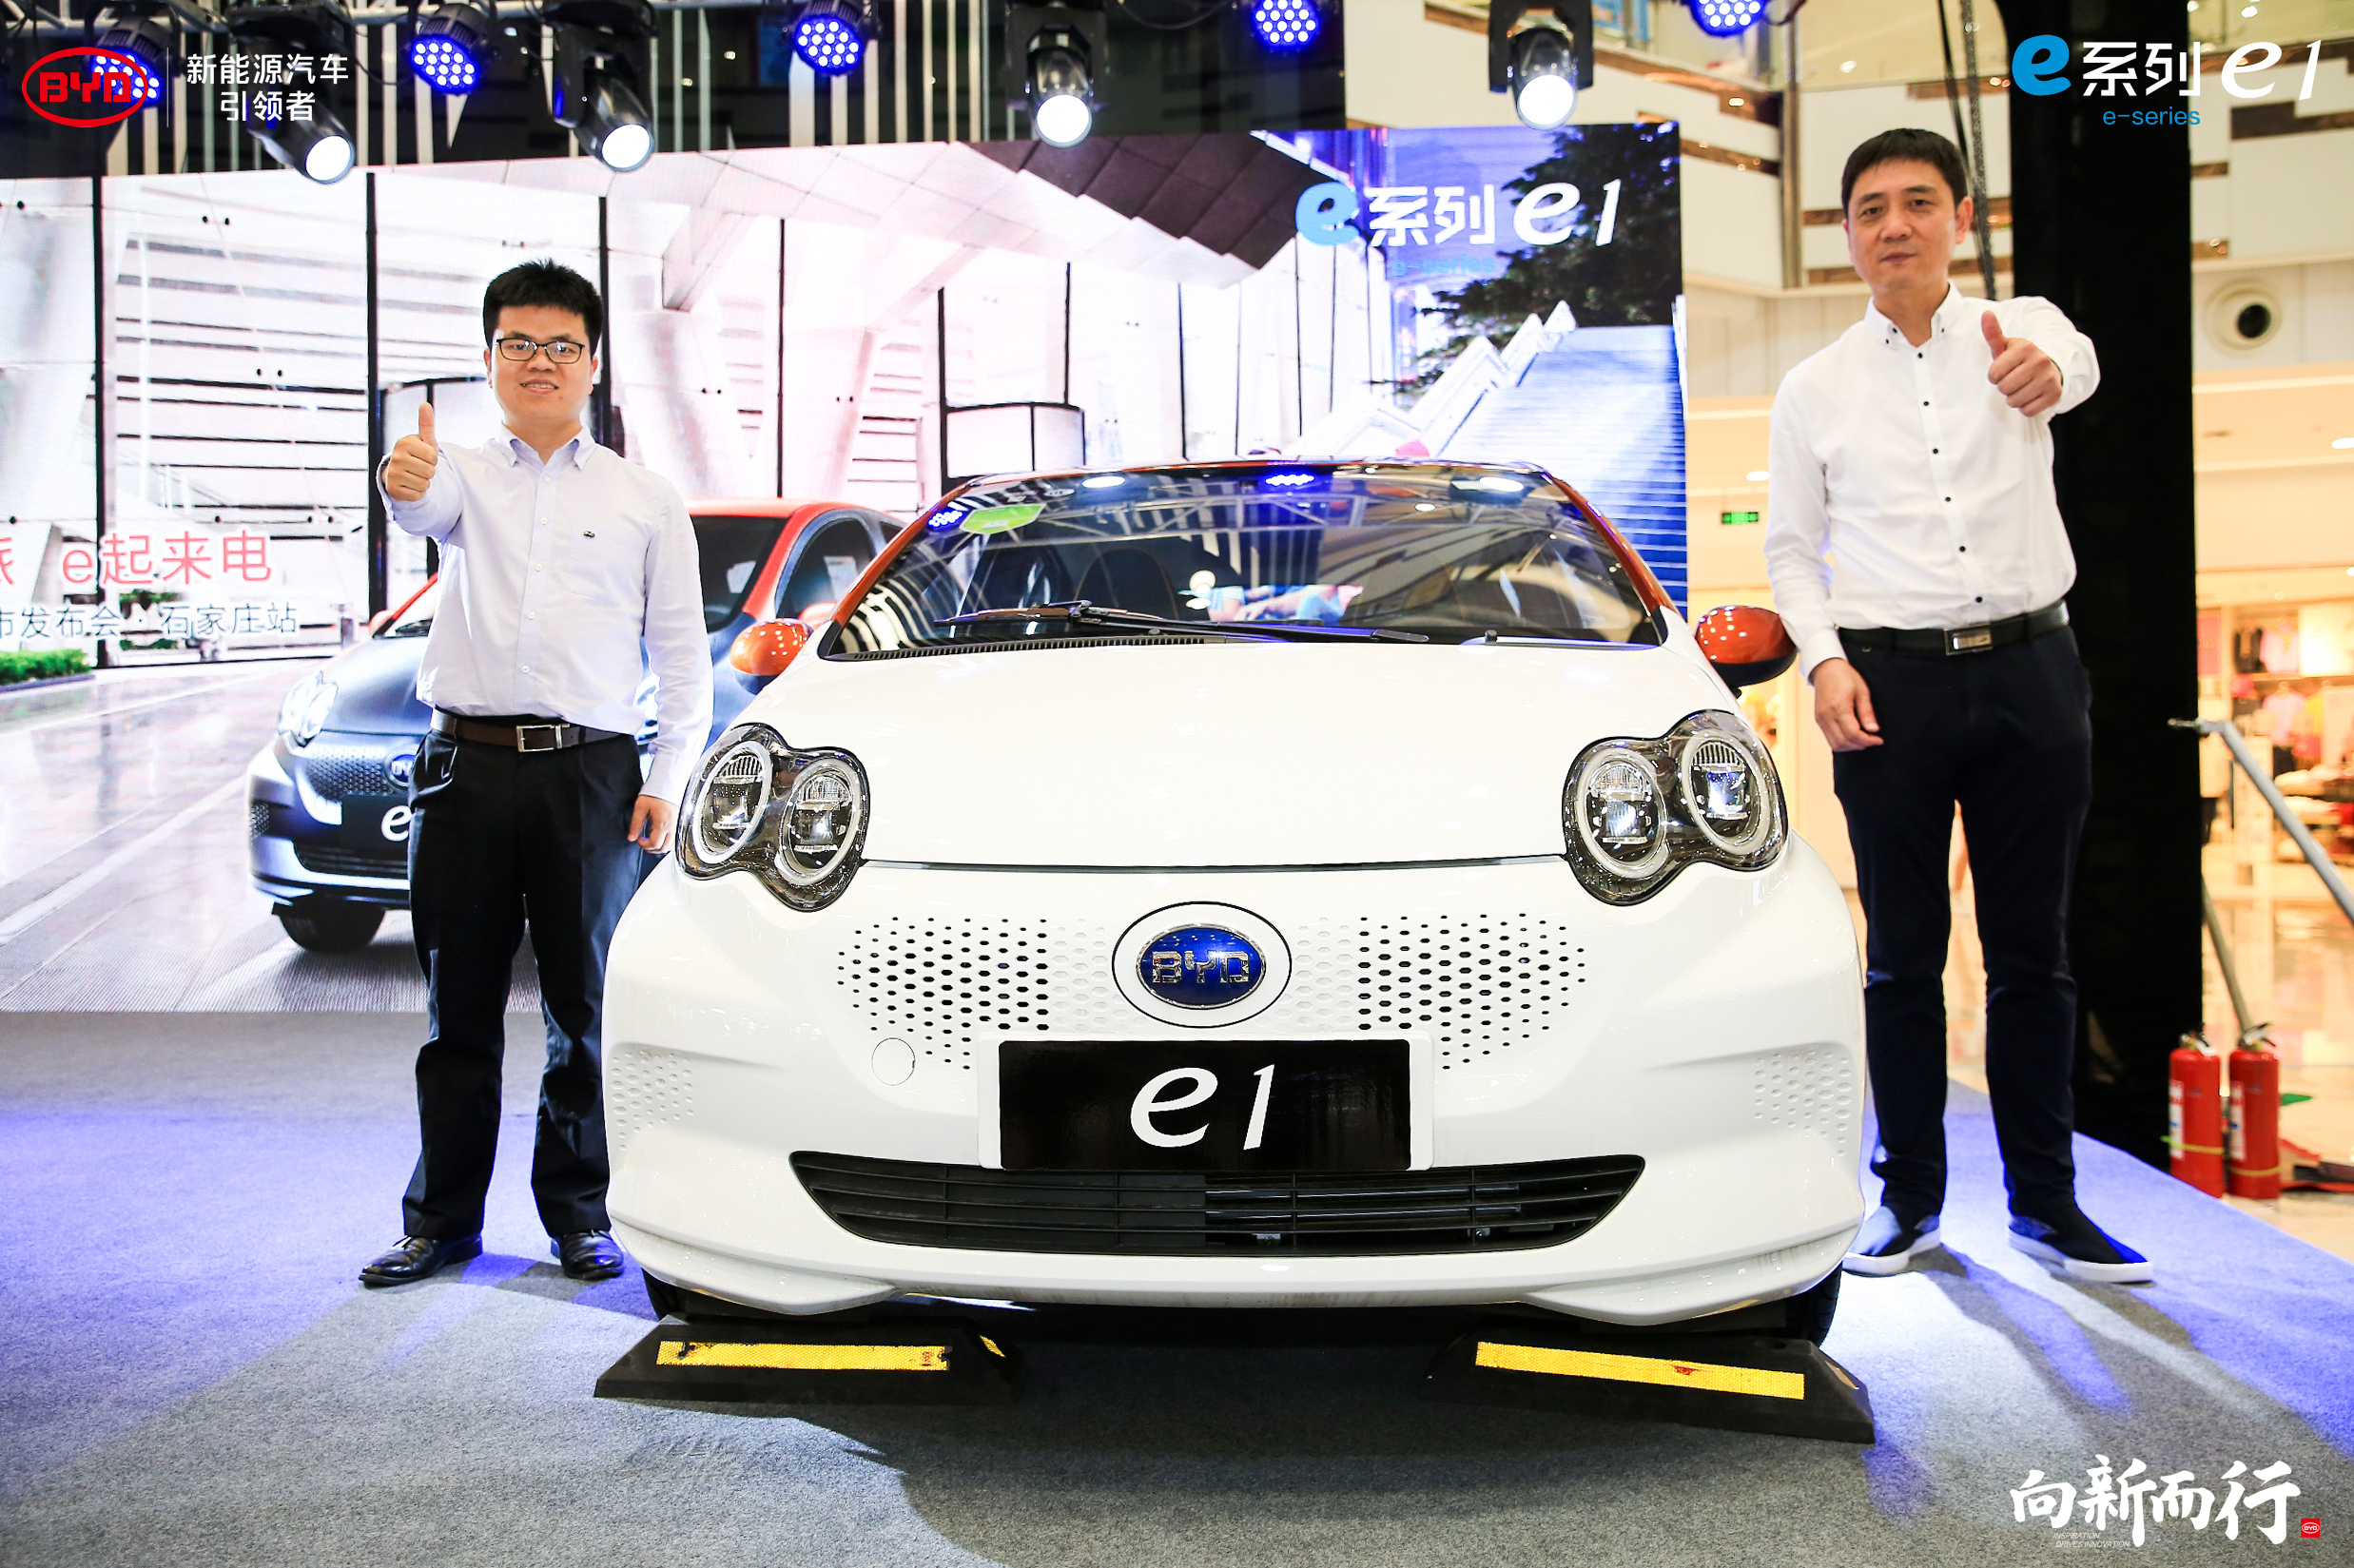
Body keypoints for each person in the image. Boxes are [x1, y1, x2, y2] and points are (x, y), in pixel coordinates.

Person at [1764, 128, 2153, 1286]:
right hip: (1891, 685)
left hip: (2035, 669)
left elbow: (2075, 365)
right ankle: (1909, 1201)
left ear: (1962, 219)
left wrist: (2049, 374)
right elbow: (1790, 552)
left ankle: (2048, 1204)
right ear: (1847, 235)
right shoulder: (1814, 386)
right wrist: (1824, 663)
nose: (1895, 224)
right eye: (1871, 207)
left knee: (2034, 952)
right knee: (1901, 960)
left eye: (1919, 201)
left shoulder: (2021, 328)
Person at [359, 260, 712, 1287]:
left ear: (593, 363)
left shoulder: (645, 497)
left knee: (585, 1010)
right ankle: (440, 1220)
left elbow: (682, 657)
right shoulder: (460, 473)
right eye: (519, 343)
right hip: (462, 770)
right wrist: (401, 479)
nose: (540, 361)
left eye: (562, 345)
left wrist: (666, 777)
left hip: (590, 778)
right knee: (456, 1011)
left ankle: (580, 1213)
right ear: (490, 360)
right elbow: (419, 505)